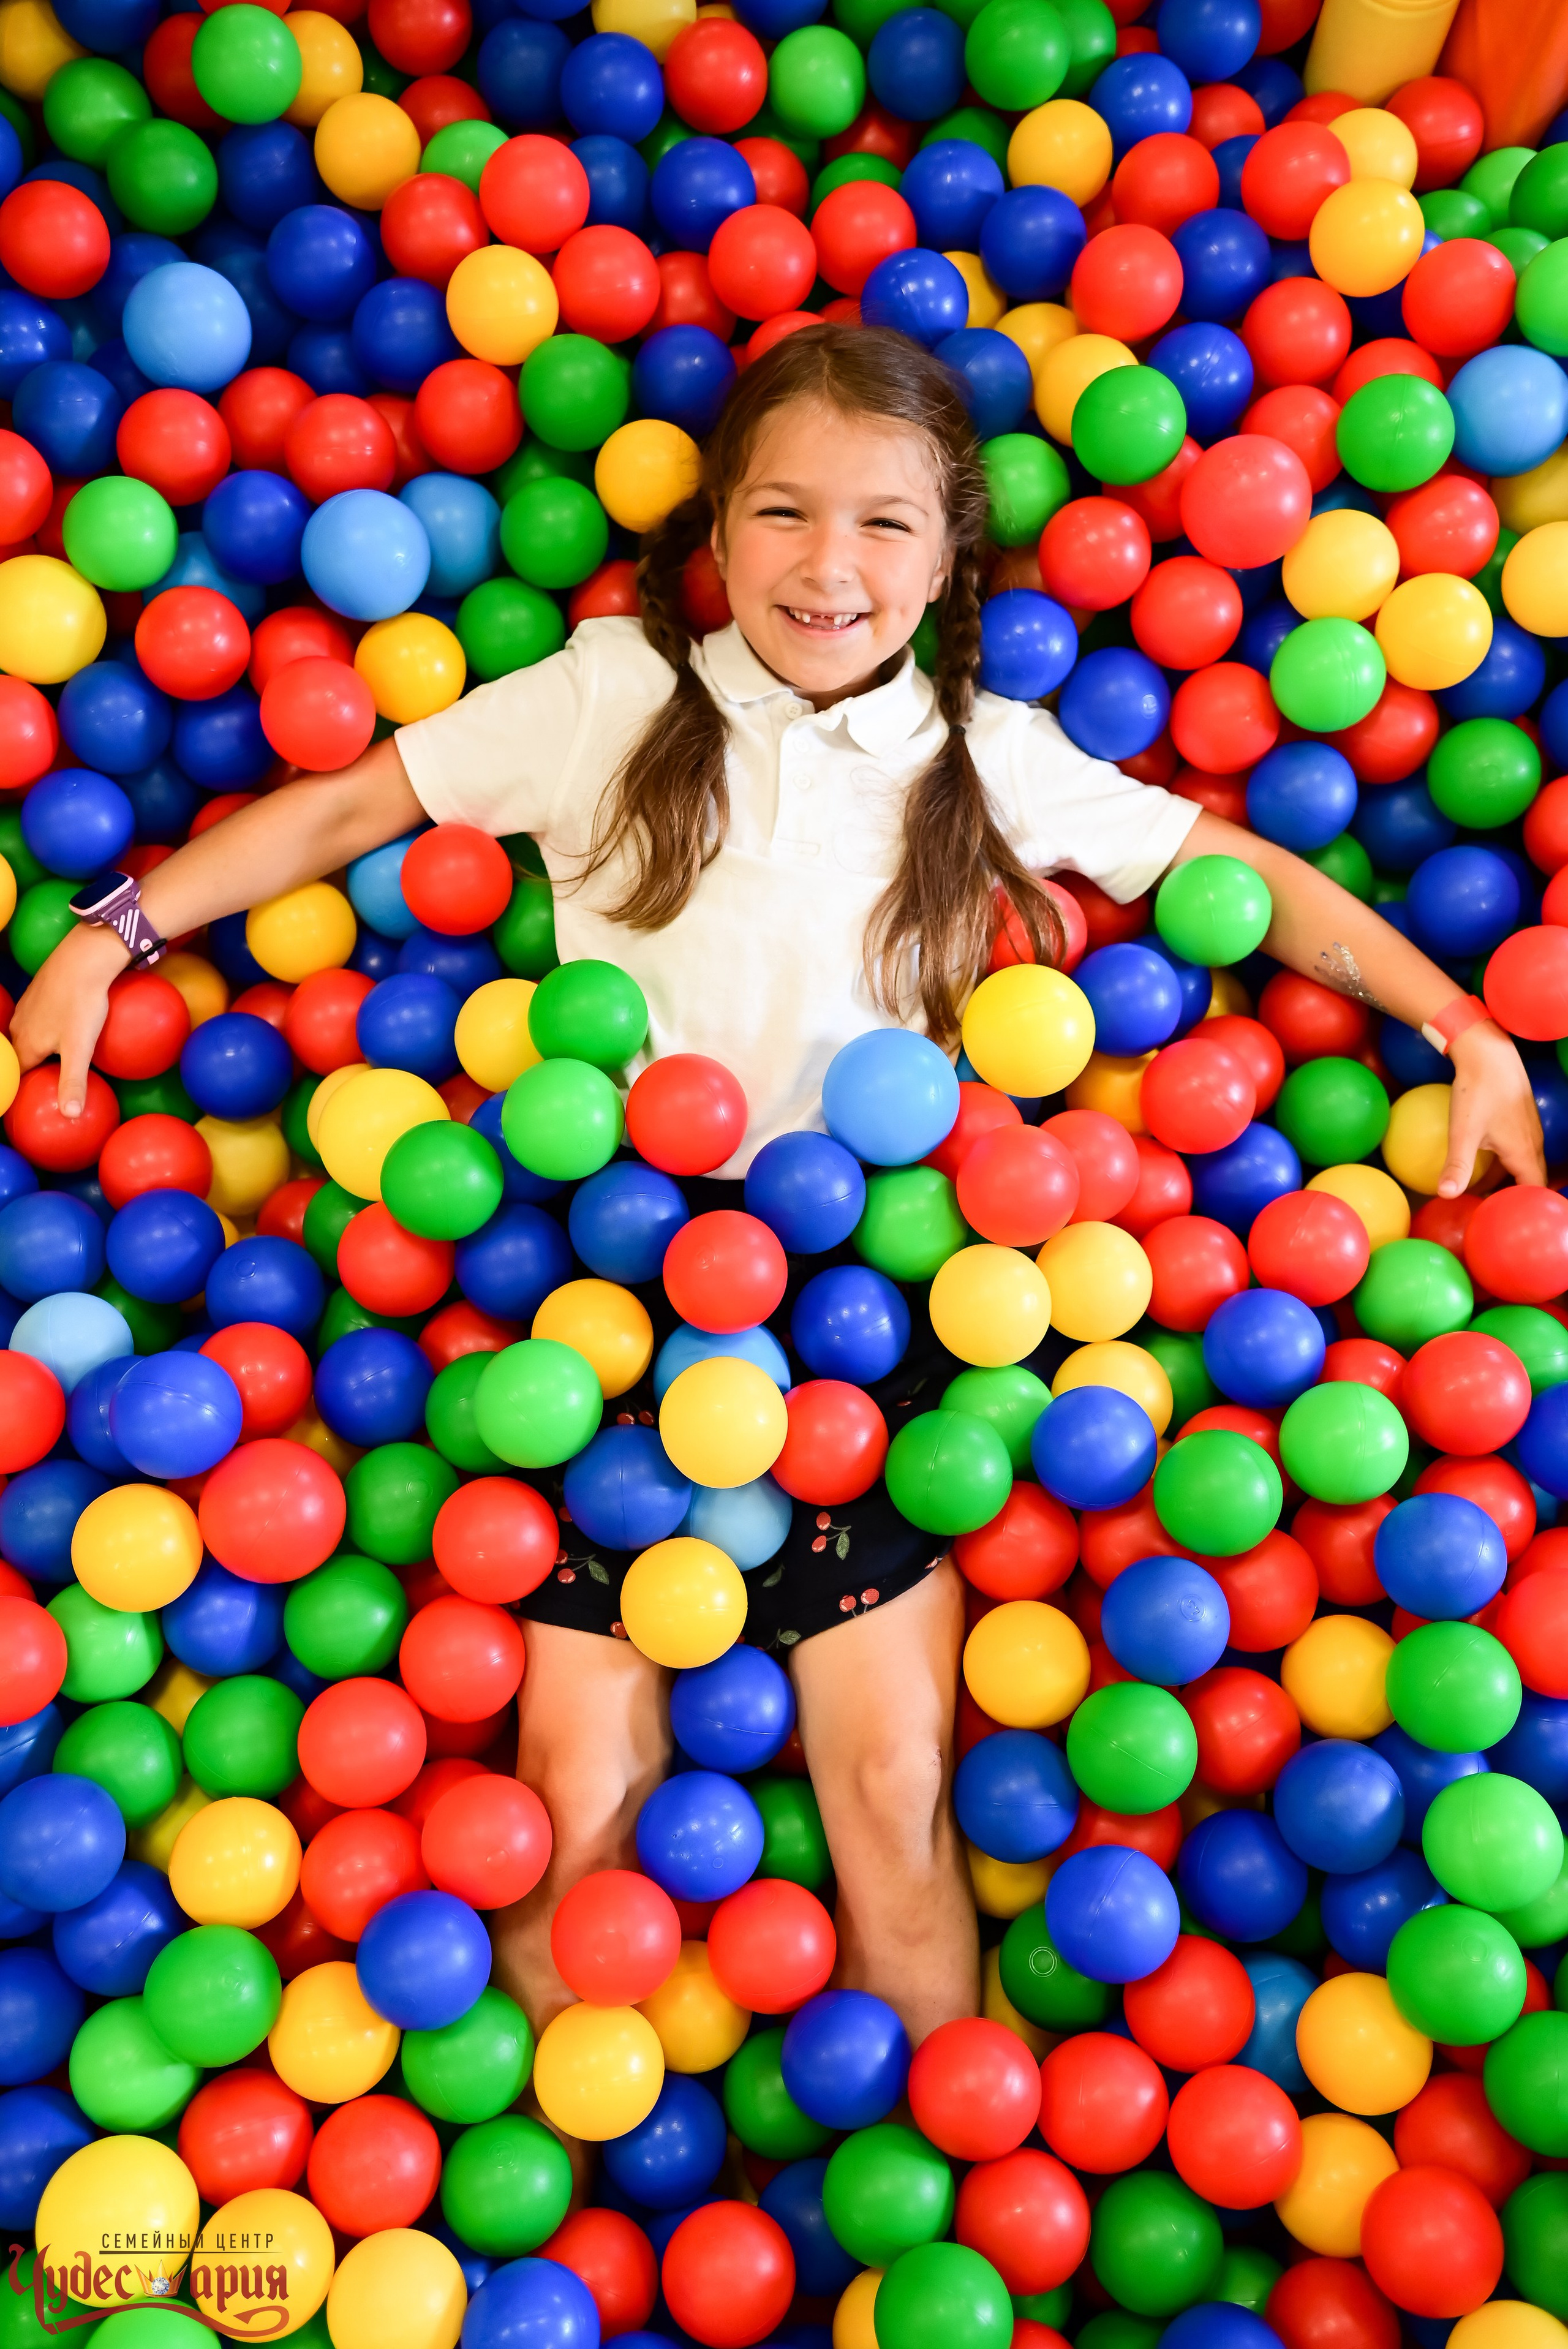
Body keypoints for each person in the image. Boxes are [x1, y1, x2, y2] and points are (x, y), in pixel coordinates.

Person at [12, 323, 1544, 2049]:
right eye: (785, 514)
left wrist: (1463, 1023)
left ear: (954, 550)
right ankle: (540, 2247)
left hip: (866, 1296)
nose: (831, 566)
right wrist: (114, 929)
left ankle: (940, 2248)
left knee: (894, 1783)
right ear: (718, 534)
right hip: (617, 1283)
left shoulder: (986, 746)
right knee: (573, 1785)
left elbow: (1236, 871)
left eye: (887, 525)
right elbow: (345, 810)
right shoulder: (613, 696)